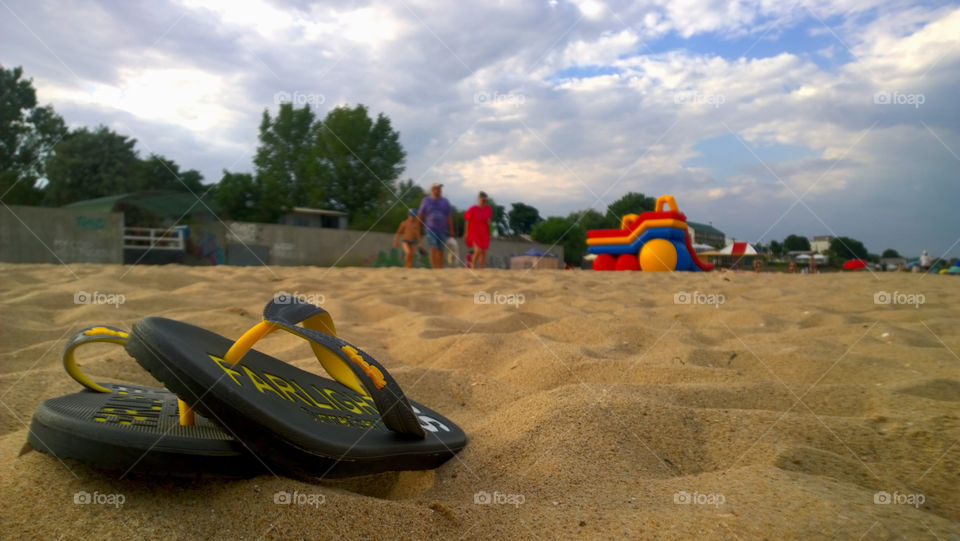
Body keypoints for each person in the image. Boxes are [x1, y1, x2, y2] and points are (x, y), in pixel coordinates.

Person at [417, 183, 453, 269]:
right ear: (433, 190)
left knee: (440, 251)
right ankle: (434, 268)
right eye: (437, 188)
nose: (439, 190)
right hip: (430, 228)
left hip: (442, 229)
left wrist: (452, 230)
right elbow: (420, 215)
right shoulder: (426, 201)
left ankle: (439, 268)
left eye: (440, 189)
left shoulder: (445, 201)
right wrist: (417, 226)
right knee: (433, 247)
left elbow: (449, 216)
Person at [464, 191, 492, 269]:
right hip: (473, 233)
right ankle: (472, 264)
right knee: (478, 250)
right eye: (483, 200)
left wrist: (490, 224)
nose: (484, 202)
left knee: (483, 253)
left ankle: (482, 269)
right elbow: (467, 220)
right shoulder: (473, 209)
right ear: (479, 199)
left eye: (485, 201)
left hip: (484, 233)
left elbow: (488, 220)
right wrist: (466, 233)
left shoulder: (488, 209)